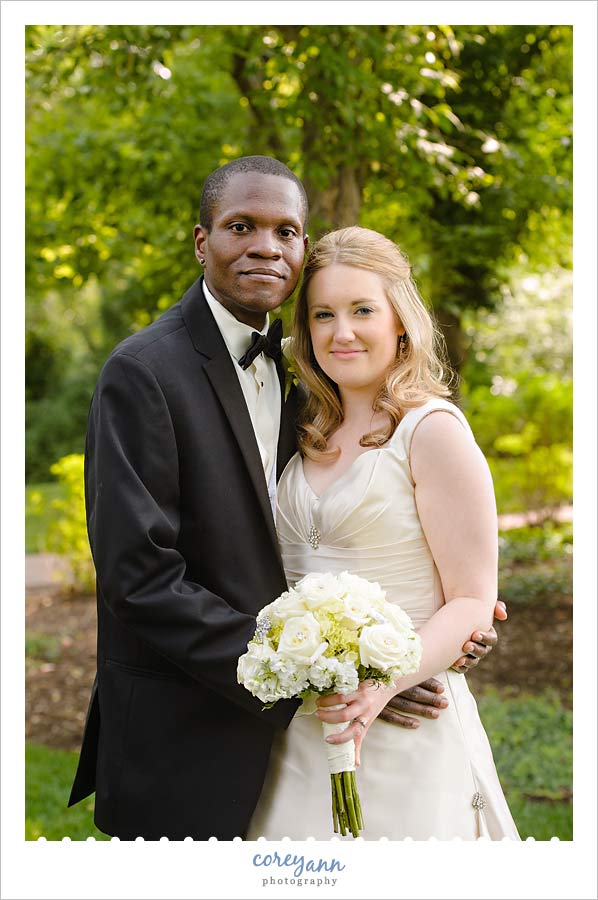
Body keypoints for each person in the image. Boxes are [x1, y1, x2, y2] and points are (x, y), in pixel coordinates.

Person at [68, 157, 504, 840]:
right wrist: (318, 668)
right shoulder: (143, 372)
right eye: (242, 226)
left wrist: (415, 646)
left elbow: (444, 576)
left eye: (287, 231)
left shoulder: (310, 394)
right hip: (194, 731)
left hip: (347, 731)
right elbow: (137, 576)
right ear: (201, 240)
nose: (266, 246)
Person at [247, 225, 520, 840]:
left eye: (362, 310)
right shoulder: (300, 427)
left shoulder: (433, 431)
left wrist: (382, 687)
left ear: (401, 318)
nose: (341, 332)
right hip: (299, 729)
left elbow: (474, 600)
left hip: (408, 730)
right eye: (323, 314)